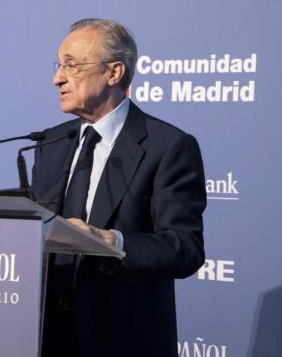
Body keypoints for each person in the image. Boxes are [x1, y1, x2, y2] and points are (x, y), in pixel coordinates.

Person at [31, 18, 206, 356]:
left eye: (72, 65)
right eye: (58, 65)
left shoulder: (168, 146)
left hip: (121, 338)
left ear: (113, 73)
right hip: (47, 336)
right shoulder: (50, 143)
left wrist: (112, 242)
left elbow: (185, 249)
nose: (57, 78)